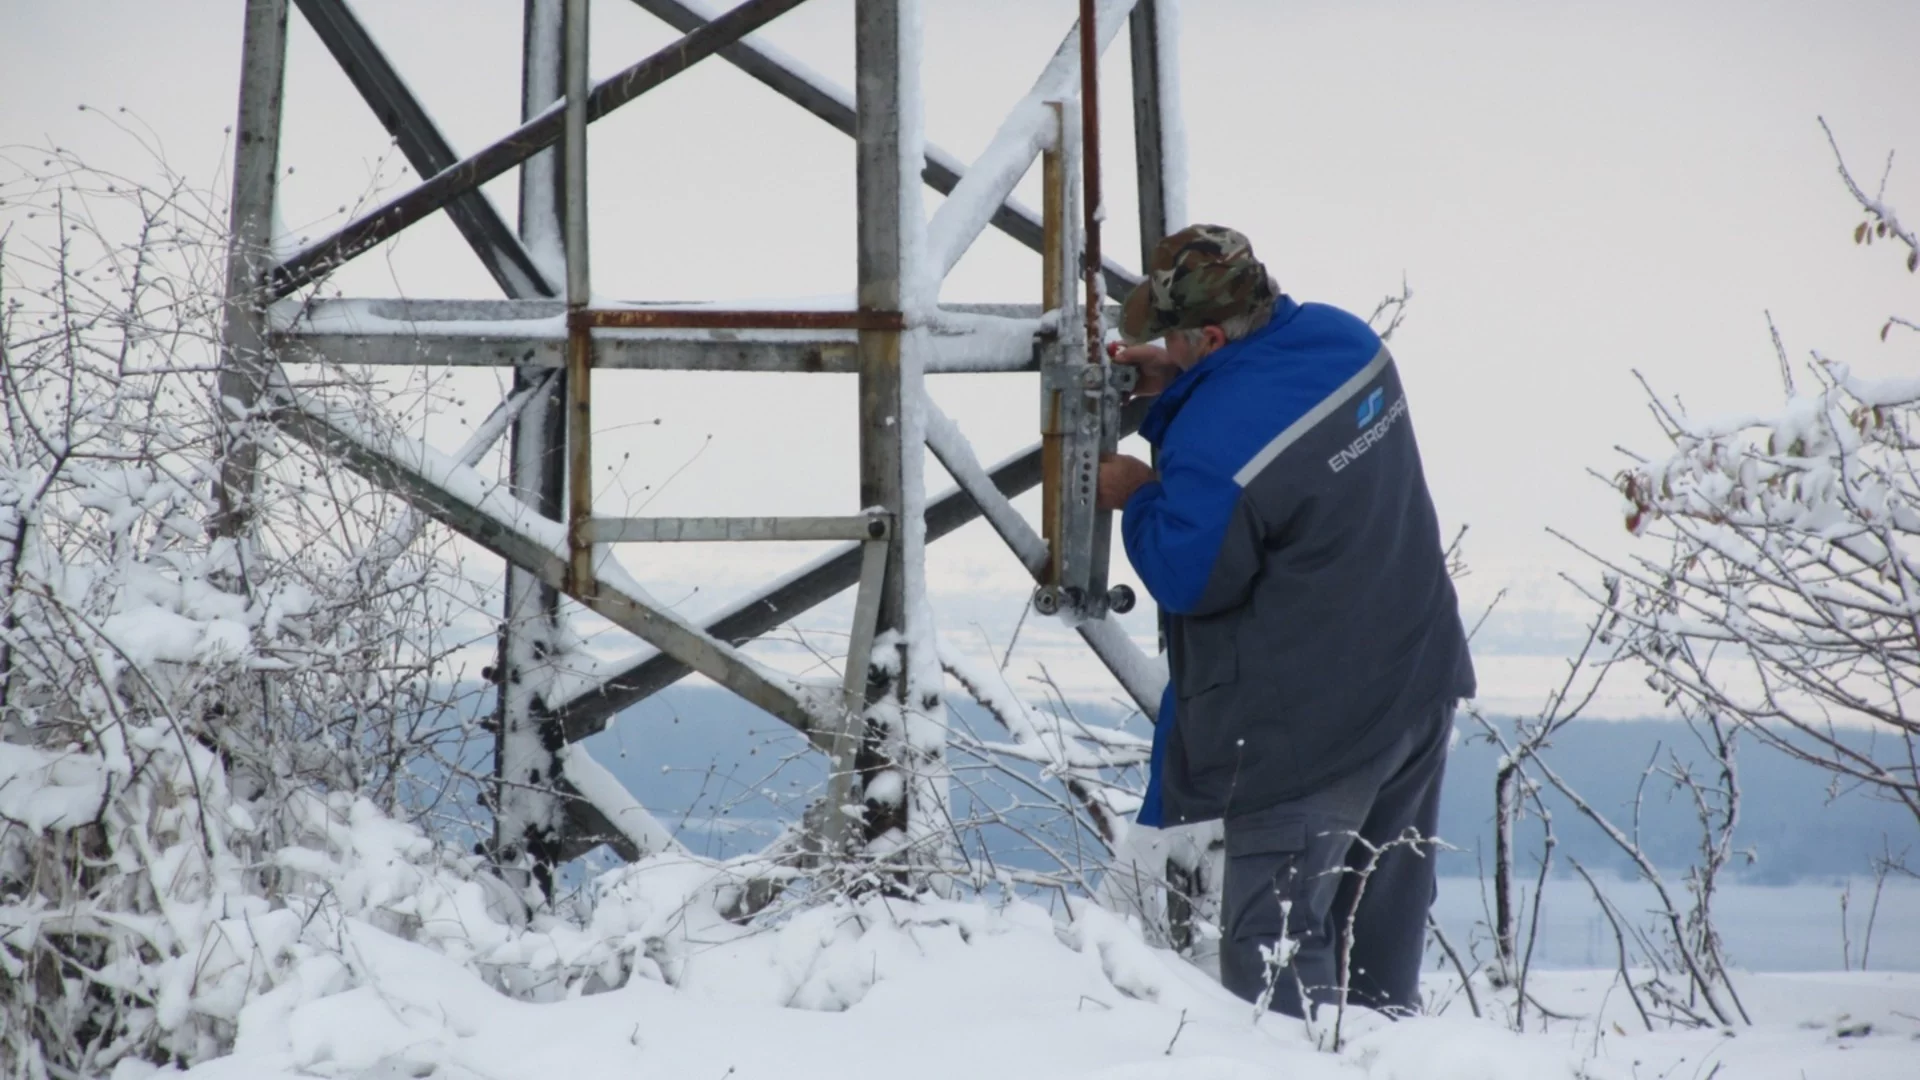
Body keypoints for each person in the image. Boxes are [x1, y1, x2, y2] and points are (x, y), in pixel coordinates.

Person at [1097, 224, 1475, 1019]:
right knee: (1376, 945)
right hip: (1415, 683)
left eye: (1171, 336)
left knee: (1273, 959)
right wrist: (1180, 376)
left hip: (1309, 734)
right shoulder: (1345, 342)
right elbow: (1269, 434)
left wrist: (1137, 494)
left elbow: (1188, 575)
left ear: (1205, 335)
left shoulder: (1215, 437)